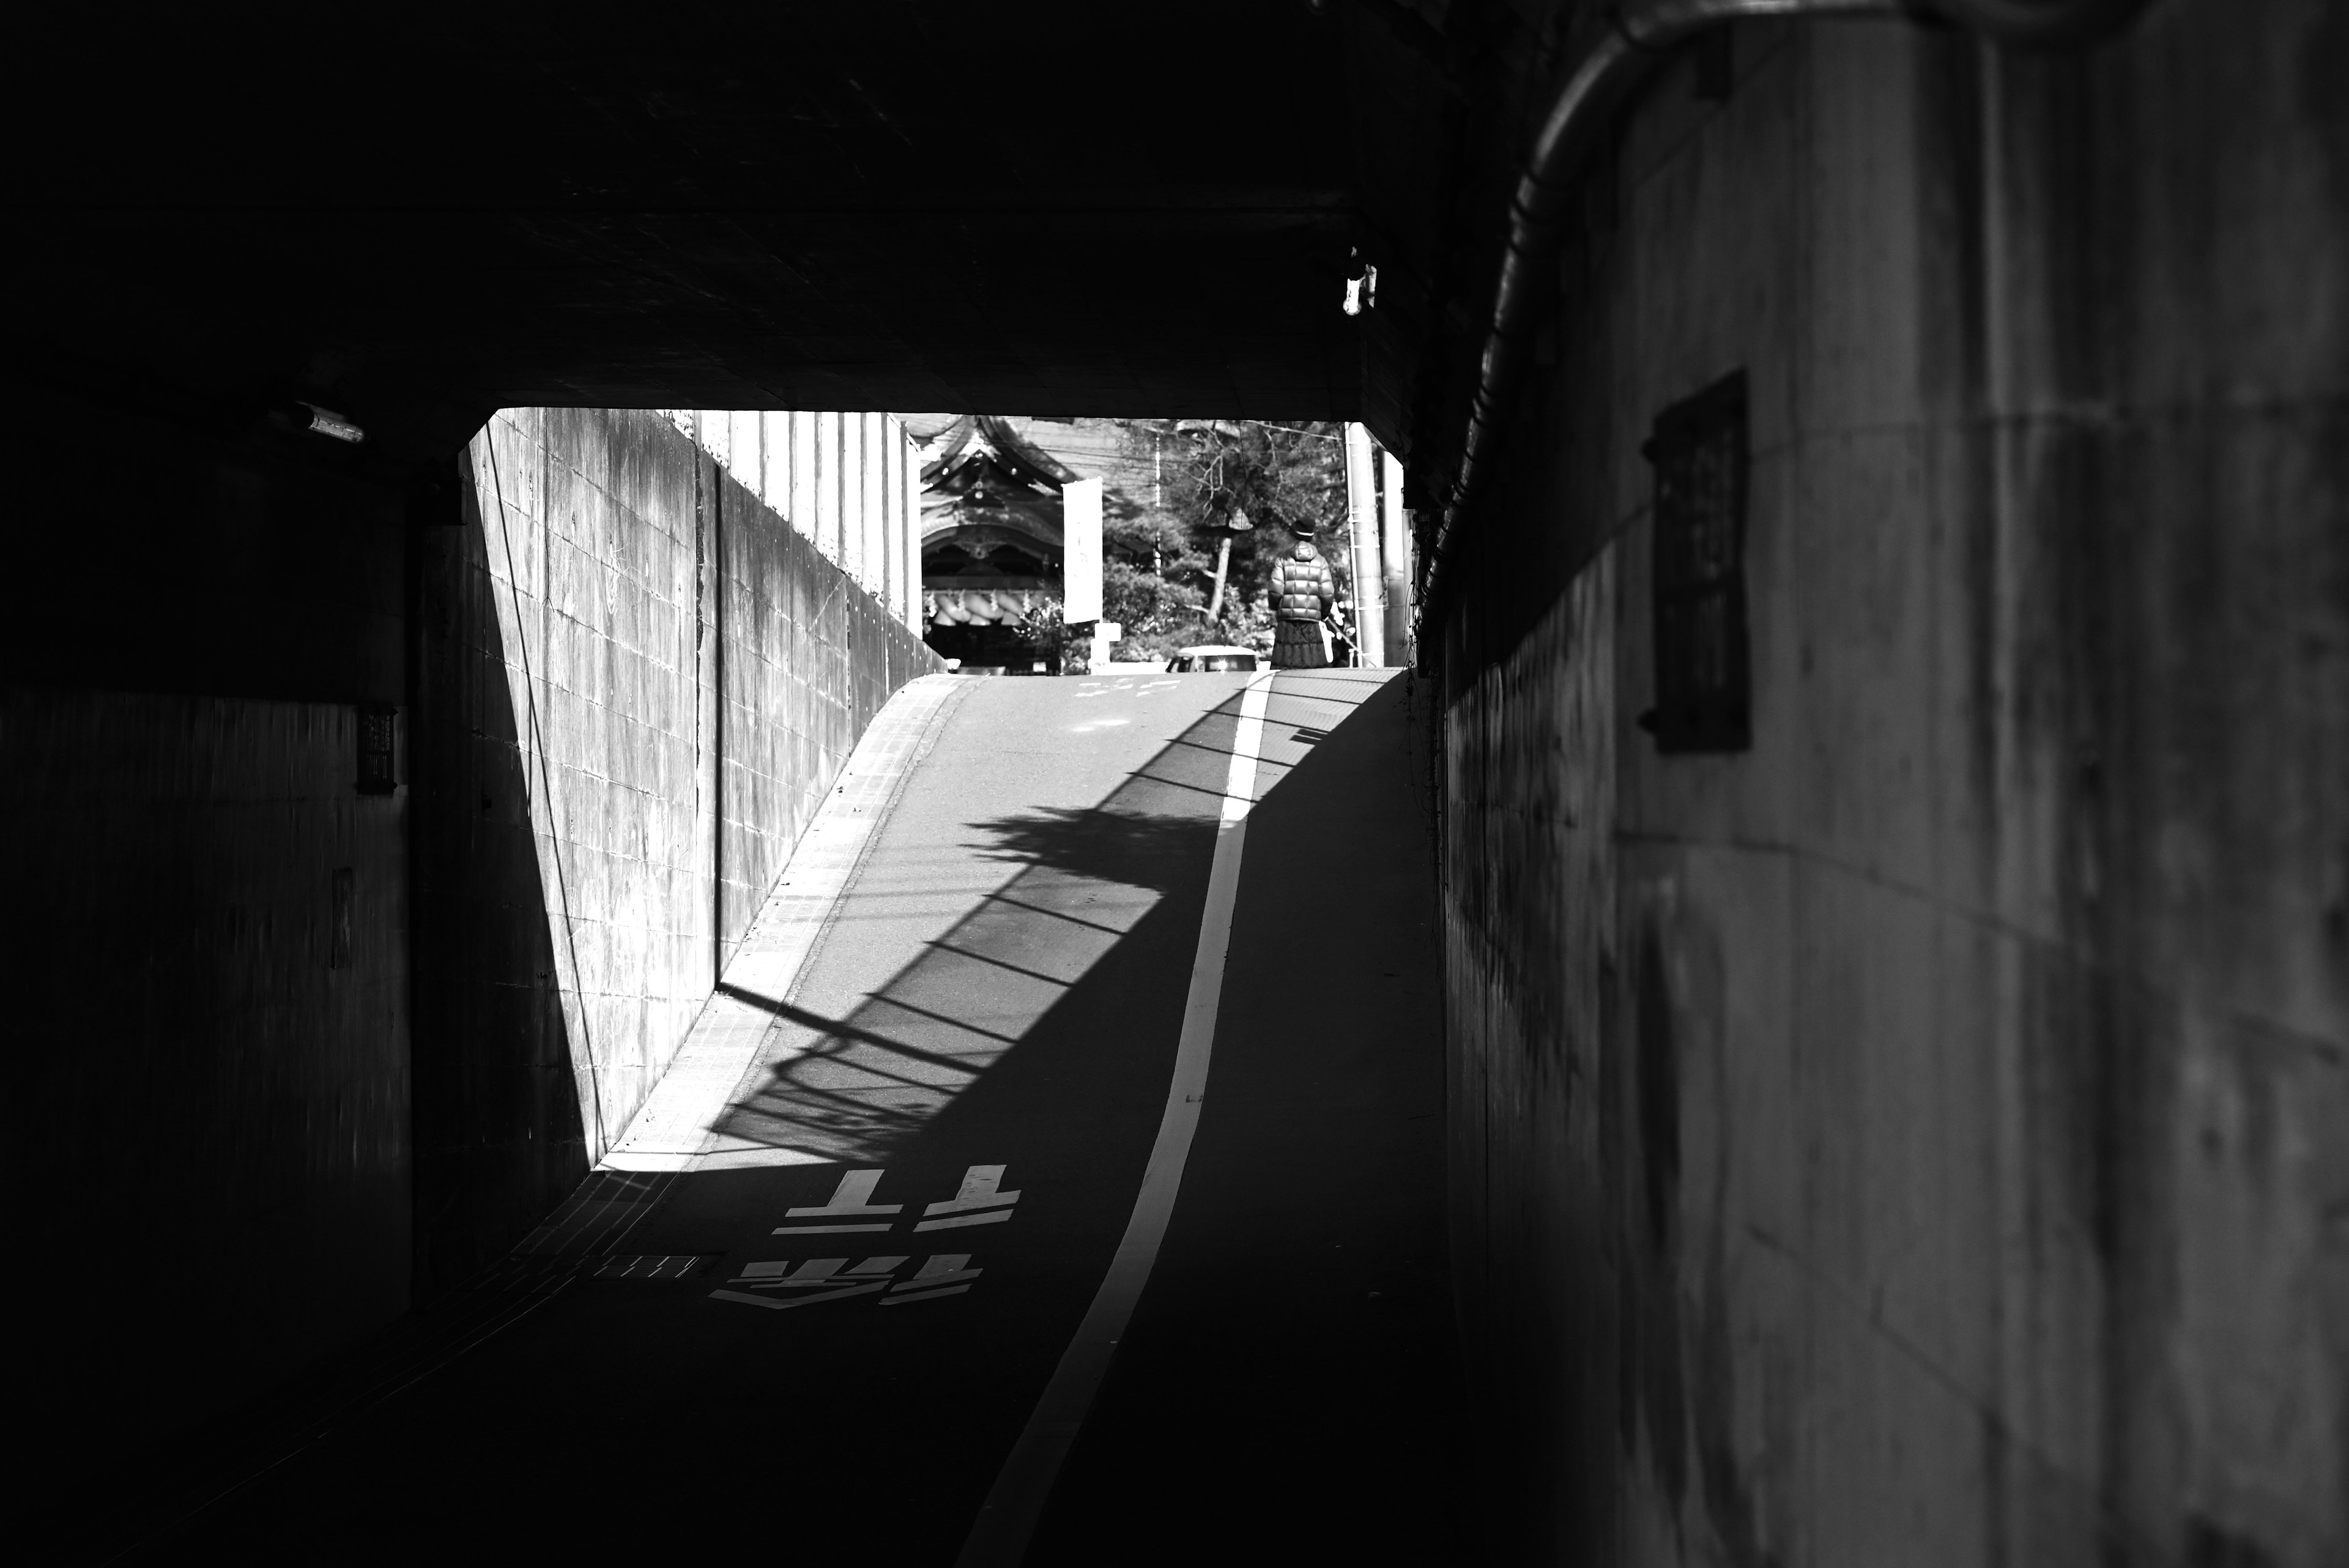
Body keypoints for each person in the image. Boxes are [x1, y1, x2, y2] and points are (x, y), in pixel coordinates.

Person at [1266, 515, 1336, 669]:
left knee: (1285, 671)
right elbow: (1327, 593)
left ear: (1294, 536)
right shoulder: (1321, 561)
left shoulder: (1283, 560)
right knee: (1312, 671)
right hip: (1311, 625)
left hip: (1287, 624)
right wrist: (1322, 614)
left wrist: (1275, 608)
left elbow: (1275, 590)